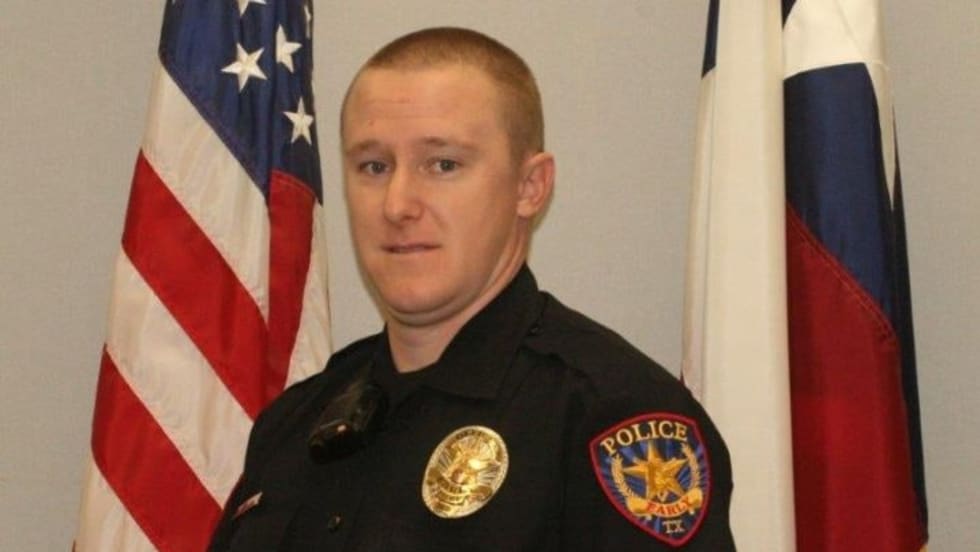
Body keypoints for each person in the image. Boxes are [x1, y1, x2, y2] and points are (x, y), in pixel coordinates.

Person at [209, 27, 734, 551]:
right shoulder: (294, 424)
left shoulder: (610, 419)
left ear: (529, 187)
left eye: (443, 165)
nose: (397, 204)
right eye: (374, 166)